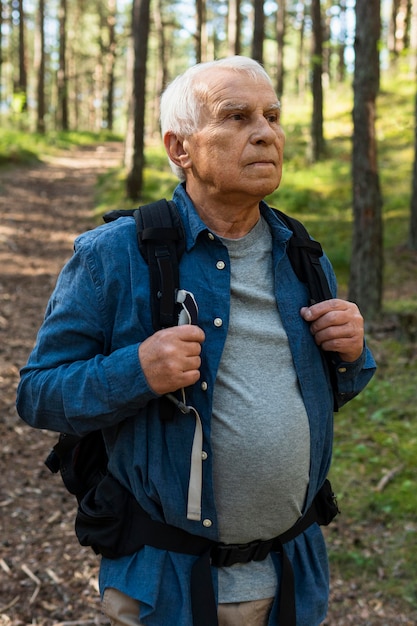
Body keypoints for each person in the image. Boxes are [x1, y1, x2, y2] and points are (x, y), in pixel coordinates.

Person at [16, 56, 376, 626]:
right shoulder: (114, 253)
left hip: (290, 577)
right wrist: (138, 370)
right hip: (166, 585)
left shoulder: (302, 255)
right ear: (180, 148)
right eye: (235, 116)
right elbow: (37, 393)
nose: (264, 132)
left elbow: (326, 391)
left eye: (272, 115)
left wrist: (354, 355)